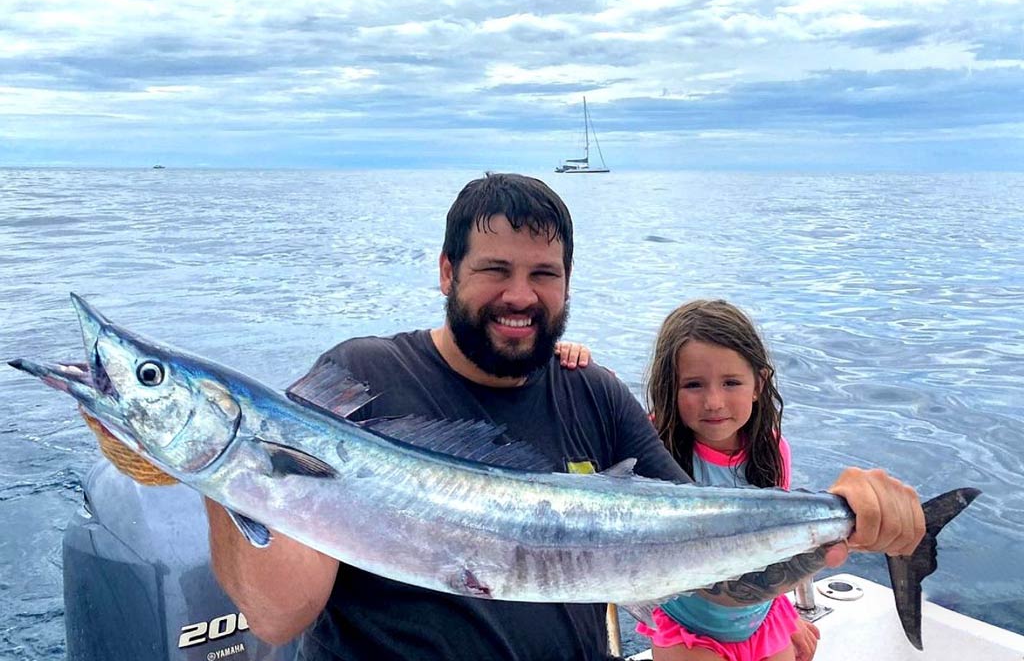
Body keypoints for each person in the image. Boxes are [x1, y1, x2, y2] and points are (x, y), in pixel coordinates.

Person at [94, 173, 925, 660]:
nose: (521, 296)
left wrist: (834, 526)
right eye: (495, 269)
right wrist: (201, 470)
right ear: (447, 270)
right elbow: (279, 614)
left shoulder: (591, 393)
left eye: (545, 274)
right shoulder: (360, 376)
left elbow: (711, 603)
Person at [637, 299, 820, 661]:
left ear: (758, 384)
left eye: (731, 382)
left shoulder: (772, 450)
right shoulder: (654, 446)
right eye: (693, 385)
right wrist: (568, 359)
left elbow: (776, 547)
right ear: (668, 388)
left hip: (762, 618)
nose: (714, 401)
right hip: (687, 630)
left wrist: (785, 613)